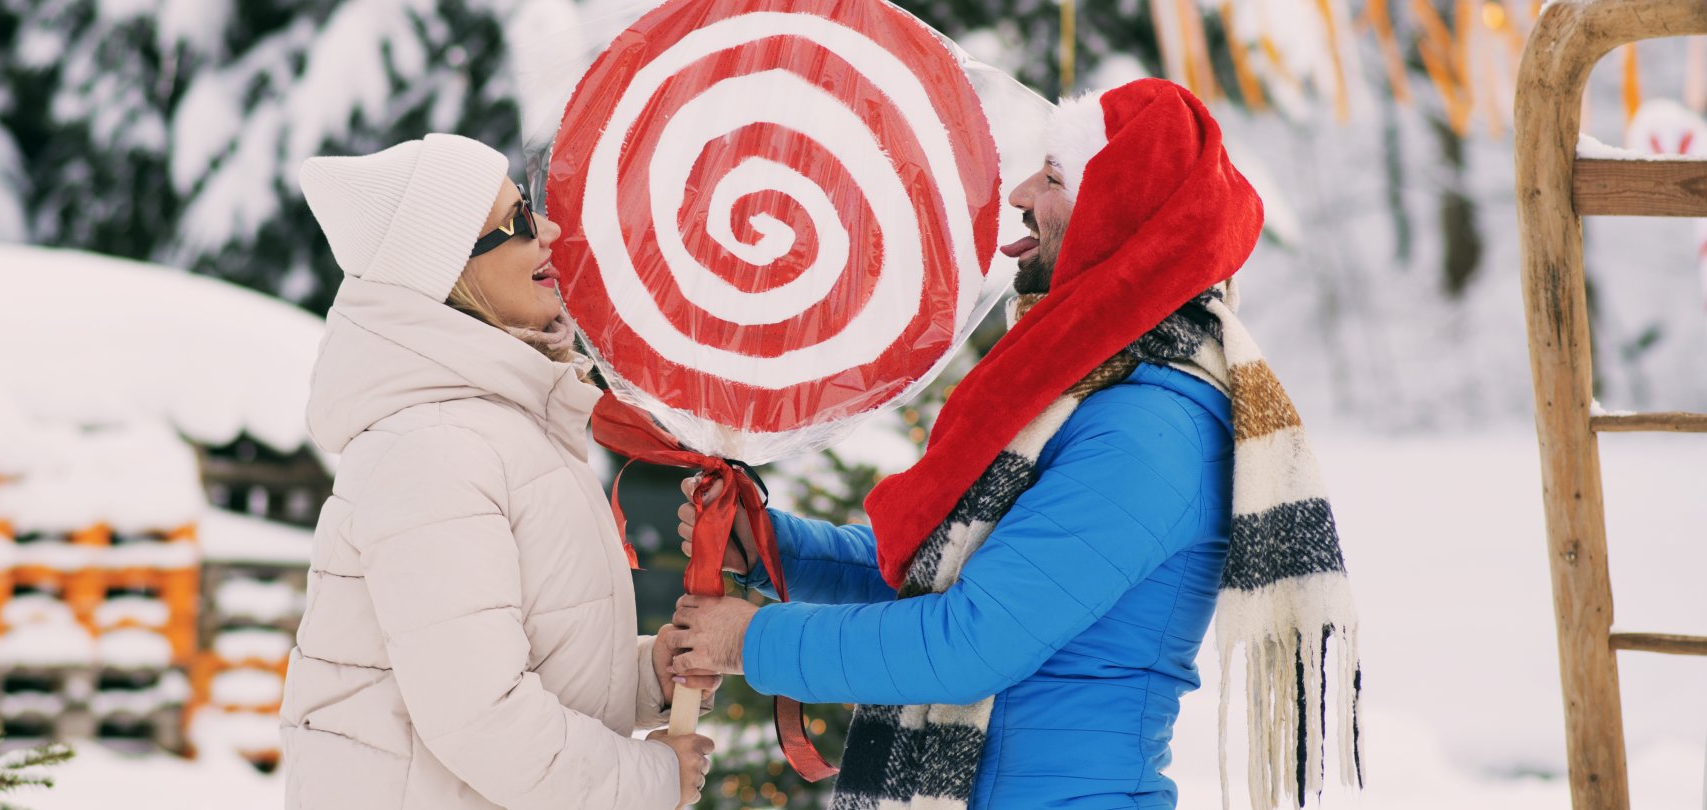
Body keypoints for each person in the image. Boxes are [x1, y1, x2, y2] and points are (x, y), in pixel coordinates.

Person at [664, 79, 1362, 810]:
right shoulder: (1082, 400)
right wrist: (777, 550)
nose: (1023, 192)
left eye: (1055, 178)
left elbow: (969, 643)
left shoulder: (1149, 431)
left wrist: (751, 642)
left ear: (1113, 220)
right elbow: (952, 582)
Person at [282, 133, 716, 810]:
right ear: (449, 270)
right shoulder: (433, 449)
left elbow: (520, 658)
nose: (548, 229)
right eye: (515, 221)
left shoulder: (501, 428)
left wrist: (646, 675)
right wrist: (647, 780)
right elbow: (480, 717)